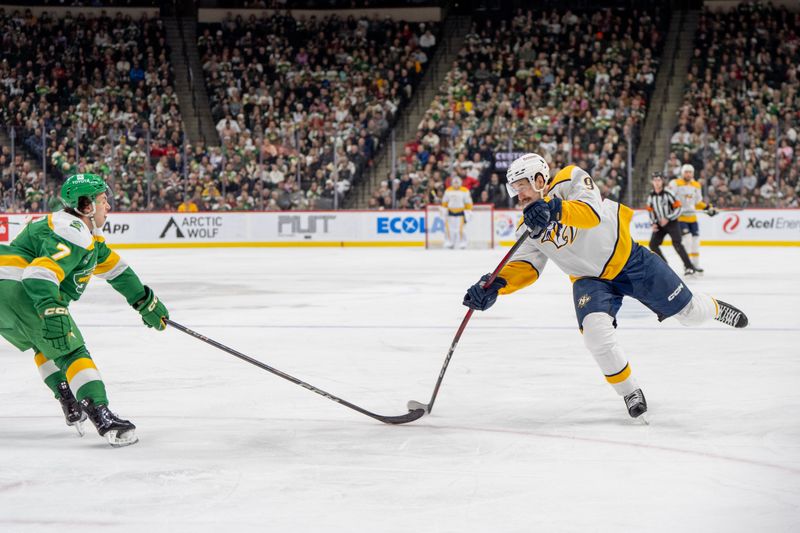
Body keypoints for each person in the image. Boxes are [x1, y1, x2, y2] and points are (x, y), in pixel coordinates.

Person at [462, 154, 747, 420]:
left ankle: (715, 308)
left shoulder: (569, 179)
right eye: (514, 190)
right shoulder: (528, 226)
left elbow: (591, 214)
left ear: (539, 180)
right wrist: (496, 284)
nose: (518, 196)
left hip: (629, 260)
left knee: (691, 314)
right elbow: (527, 267)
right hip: (589, 280)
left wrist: (554, 208)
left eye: (522, 187)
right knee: (596, 336)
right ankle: (629, 391)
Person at [0, 174, 170, 447]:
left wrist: (144, 302)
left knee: (42, 344)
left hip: (4, 294)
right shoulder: (73, 230)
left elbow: (117, 270)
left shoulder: (83, 235)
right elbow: (37, 274)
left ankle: (68, 398)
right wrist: (52, 309)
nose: (108, 206)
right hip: (17, 288)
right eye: (103, 200)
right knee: (71, 351)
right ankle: (102, 417)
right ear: (86, 206)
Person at [667, 164, 718, 274]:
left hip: (692, 218)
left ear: (693, 173)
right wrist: (675, 207)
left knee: (695, 242)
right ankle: (687, 265)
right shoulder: (675, 183)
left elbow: (697, 202)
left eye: (690, 172)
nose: (688, 174)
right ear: (682, 173)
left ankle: (695, 264)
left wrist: (708, 208)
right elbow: (669, 198)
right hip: (680, 218)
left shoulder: (696, 185)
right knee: (687, 240)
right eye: (686, 172)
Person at [646, 172, 696, 275]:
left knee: (677, 243)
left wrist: (668, 218)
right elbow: (650, 210)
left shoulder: (668, 193)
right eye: (655, 180)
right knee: (653, 244)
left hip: (671, 222)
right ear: (652, 182)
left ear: (662, 181)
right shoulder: (651, 196)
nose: (657, 183)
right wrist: (653, 223)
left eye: (659, 180)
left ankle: (689, 267)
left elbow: (679, 208)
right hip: (660, 223)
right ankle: (664, 266)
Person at [441, 176, 473, 249]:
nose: (456, 184)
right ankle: (449, 242)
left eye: (457, 183)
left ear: (460, 183)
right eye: (454, 183)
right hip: (450, 213)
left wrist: (468, 211)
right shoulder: (448, 191)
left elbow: (468, 202)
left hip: (460, 213)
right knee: (449, 229)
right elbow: (444, 202)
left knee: (461, 229)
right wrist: (444, 210)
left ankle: (463, 242)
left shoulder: (465, 191)